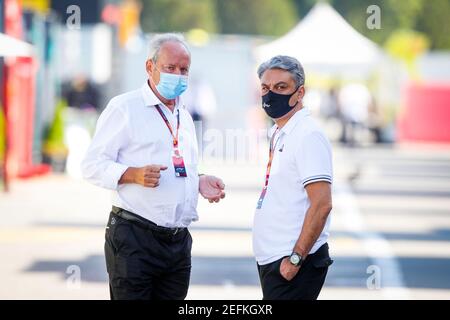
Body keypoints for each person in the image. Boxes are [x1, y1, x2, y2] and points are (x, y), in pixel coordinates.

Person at [81, 33, 225, 300]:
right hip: (135, 238)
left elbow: (180, 164)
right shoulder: (125, 107)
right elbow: (91, 165)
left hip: (178, 243)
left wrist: (199, 180)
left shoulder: (183, 111)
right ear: (150, 66)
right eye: (170, 68)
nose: (179, 75)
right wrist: (132, 174)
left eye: (184, 70)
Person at [253, 55, 333, 300]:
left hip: (293, 261)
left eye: (281, 87)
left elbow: (322, 204)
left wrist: (296, 258)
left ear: (299, 93)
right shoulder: (280, 130)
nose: (271, 94)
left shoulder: (307, 135)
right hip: (274, 257)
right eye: (266, 88)